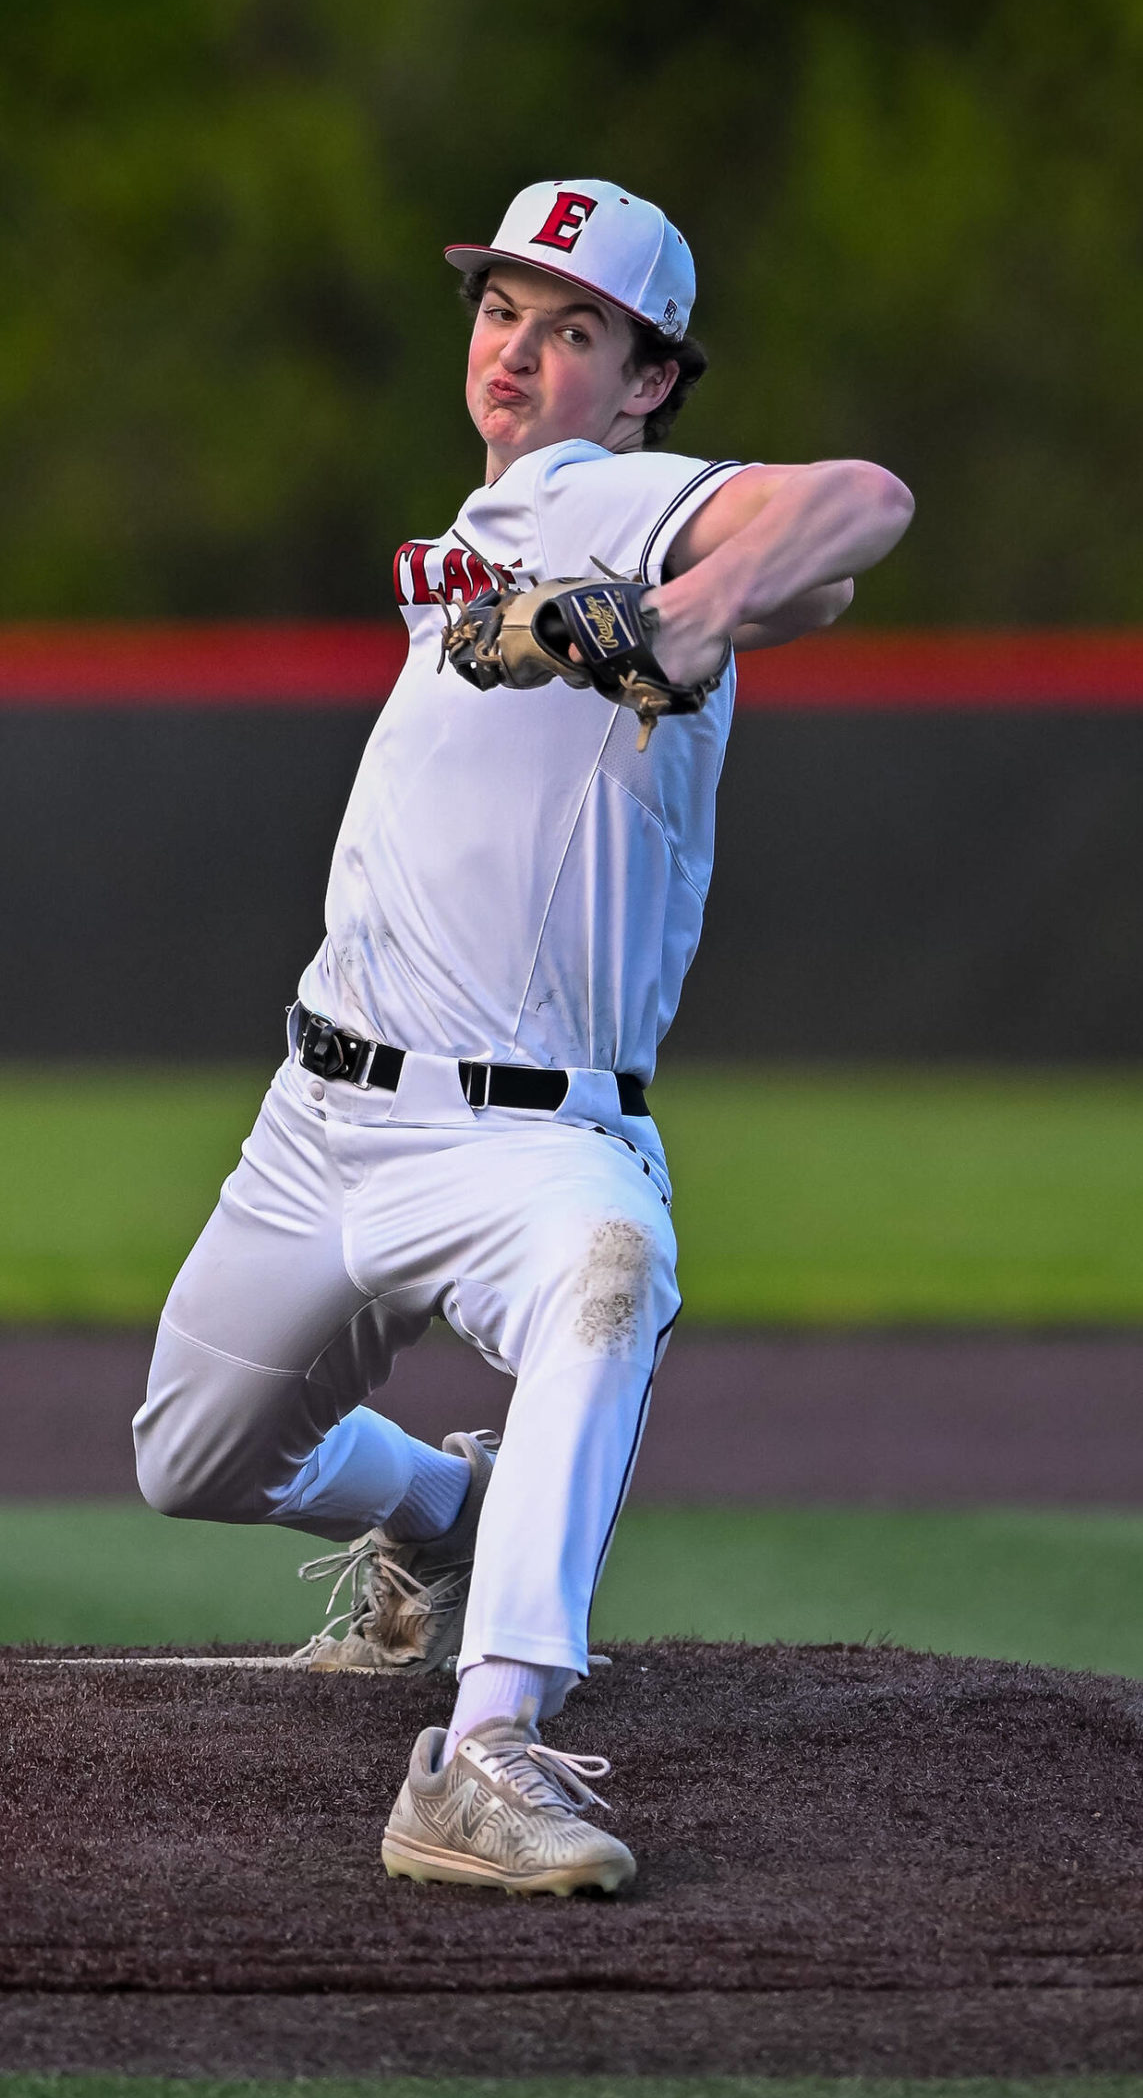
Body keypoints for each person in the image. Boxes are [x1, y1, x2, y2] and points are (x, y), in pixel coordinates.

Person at [133, 177, 913, 1895]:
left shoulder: (594, 493)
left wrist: (693, 620)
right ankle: (441, 1513)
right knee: (188, 1460)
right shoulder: (500, 530)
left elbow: (859, 505)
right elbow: (804, 588)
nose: (520, 350)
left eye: (577, 331)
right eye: (503, 308)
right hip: (316, 1116)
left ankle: (485, 1745)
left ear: (645, 384)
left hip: (526, 1138)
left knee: (609, 1266)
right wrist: (732, 606)